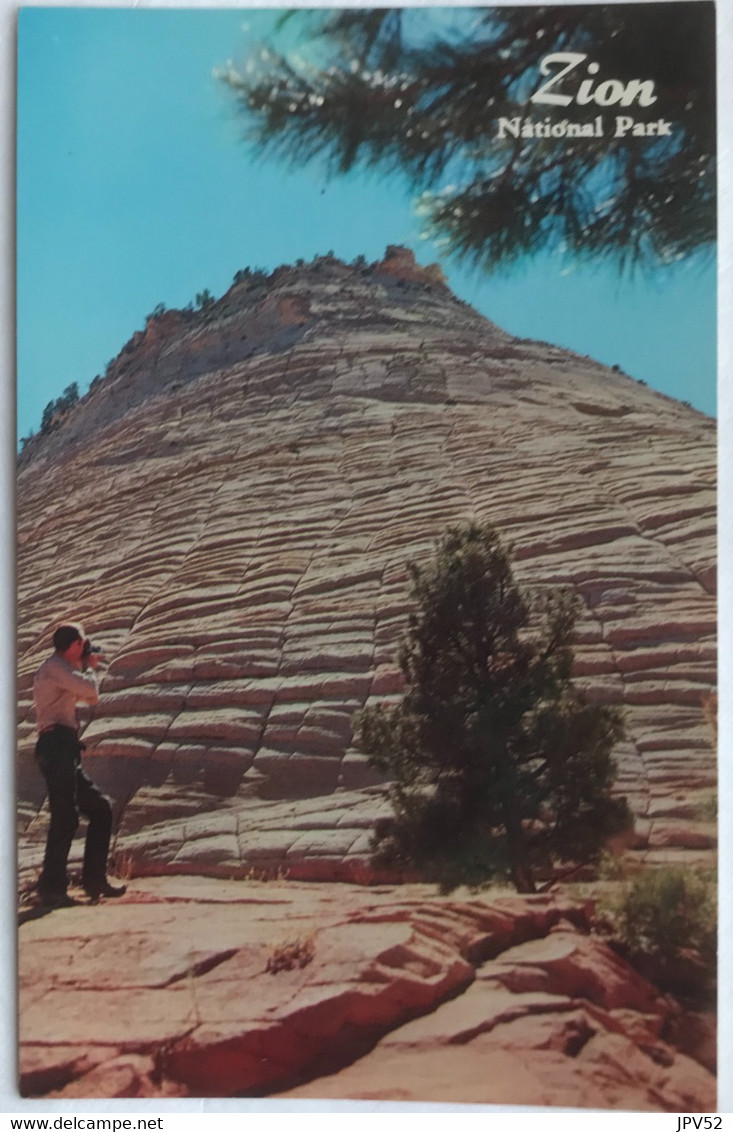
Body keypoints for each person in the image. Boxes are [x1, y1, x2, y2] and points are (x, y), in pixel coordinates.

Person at [32, 623, 126, 906]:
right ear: (75, 644)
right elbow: (91, 691)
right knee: (65, 817)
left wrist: (84, 664)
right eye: (83, 644)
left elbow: (87, 696)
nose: (85, 648)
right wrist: (89, 666)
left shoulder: (61, 668)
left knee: (100, 809)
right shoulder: (56, 668)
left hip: (64, 748)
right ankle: (51, 889)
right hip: (56, 747)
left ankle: (94, 881)